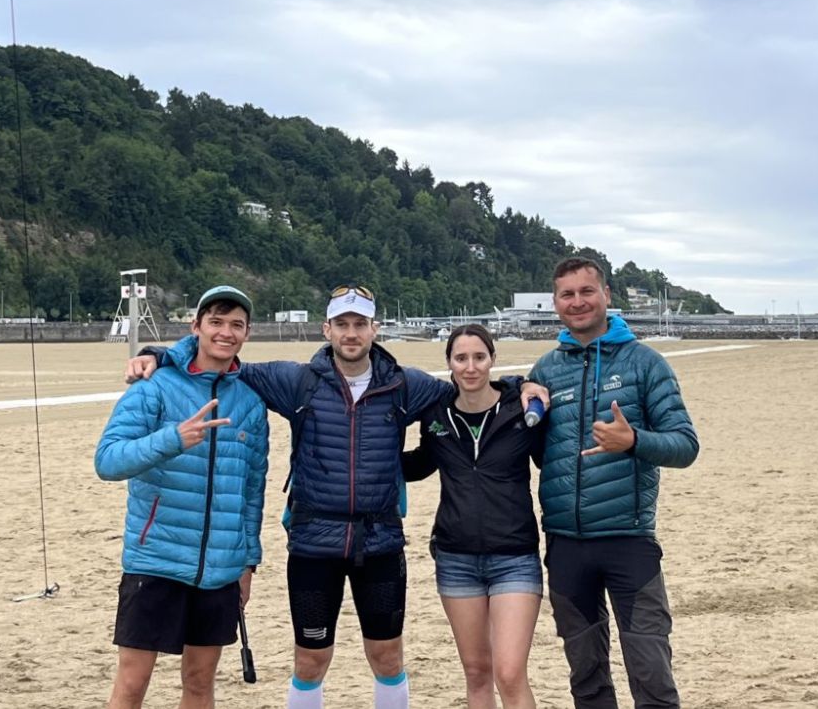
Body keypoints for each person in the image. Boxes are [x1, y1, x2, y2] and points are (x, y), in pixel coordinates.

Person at [129, 284, 545, 709]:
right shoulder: (297, 382)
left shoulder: (404, 385)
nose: (351, 333)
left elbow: (469, 388)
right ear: (327, 329)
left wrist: (521, 384)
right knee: (310, 662)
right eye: (342, 324)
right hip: (313, 545)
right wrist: (160, 354)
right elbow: (225, 361)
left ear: (374, 329)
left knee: (387, 657)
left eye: (360, 324)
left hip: (380, 544)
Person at [530, 258, 700, 709]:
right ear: (555, 303)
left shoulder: (646, 363)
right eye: (567, 294)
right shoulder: (545, 370)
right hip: (566, 544)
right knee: (586, 679)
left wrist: (633, 441)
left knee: (651, 673)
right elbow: (534, 449)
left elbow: (685, 445)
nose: (578, 302)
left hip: (629, 541)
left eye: (587, 291)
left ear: (607, 295)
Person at [94, 285, 271, 709]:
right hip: (155, 560)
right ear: (196, 326)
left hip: (221, 570)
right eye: (216, 322)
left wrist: (247, 562)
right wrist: (173, 438)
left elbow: (252, 491)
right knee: (132, 684)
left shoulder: (250, 404)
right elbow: (108, 461)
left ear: (247, 333)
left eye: (236, 325)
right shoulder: (153, 386)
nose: (225, 332)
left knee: (199, 683)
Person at [399, 323, 545, 709]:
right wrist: (370, 455)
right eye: (461, 358)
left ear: (492, 359)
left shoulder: (520, 410)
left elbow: (552, 460)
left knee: (509, 673)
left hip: (515, 558)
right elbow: (421, 464)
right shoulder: (436, 415)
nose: (470, 367)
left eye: (479, 357)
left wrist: (524, 384)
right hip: (456, 560)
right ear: (449, 362)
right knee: (478, 671)